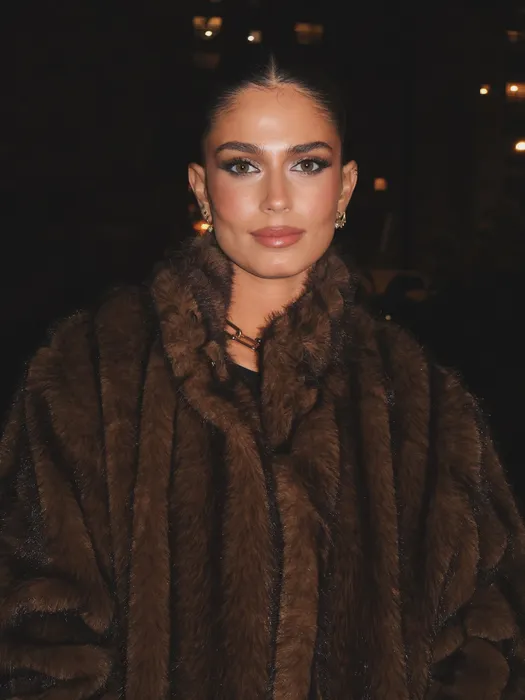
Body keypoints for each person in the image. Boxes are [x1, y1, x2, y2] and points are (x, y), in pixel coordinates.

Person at [1, 51, 524, 700]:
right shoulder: (91, 374)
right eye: (243, 165)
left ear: (345, 187)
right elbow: (35, 633)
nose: (276, 198)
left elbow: (487, 635)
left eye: (307, 164)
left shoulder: (424, 401)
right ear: (201, 187)